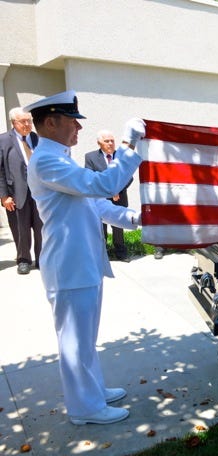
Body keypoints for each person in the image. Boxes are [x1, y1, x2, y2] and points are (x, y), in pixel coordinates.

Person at [25, 90, 145, 425]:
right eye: (73, 122)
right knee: (74, 341)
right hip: (69, 265)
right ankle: (84, 408)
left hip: (83, 262)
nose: (78, 129)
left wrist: (135, 219)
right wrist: (128, 145)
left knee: (86, 337)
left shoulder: (61, 159)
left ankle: (91, 391)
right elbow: (104, 184)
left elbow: (96, 205)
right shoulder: (46, 161)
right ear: (51, 122)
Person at [0, 107, 42, 274]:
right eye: (23, 121)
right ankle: (23, 259)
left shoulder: (37, 139)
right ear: (13, 123)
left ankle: (42, 259)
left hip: (39, 193)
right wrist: (4, 196)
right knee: (20, 228)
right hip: (16, 192)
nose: (27, 124)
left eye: (29, 121)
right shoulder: (3, 140)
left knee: (41, 228)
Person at [85, 130, 133, 262]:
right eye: (107, 141)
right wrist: (109, 191)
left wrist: (117, 190)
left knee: (118, 227)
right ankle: (102, 254)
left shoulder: (121, 156)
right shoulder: (90, 157)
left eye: (112, 140)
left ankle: (121, 253)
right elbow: (91, 177)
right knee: (101, 227)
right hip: (100, 198)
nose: (110, 143)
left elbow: (128, 176)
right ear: (99, 143)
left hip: (119, 197)